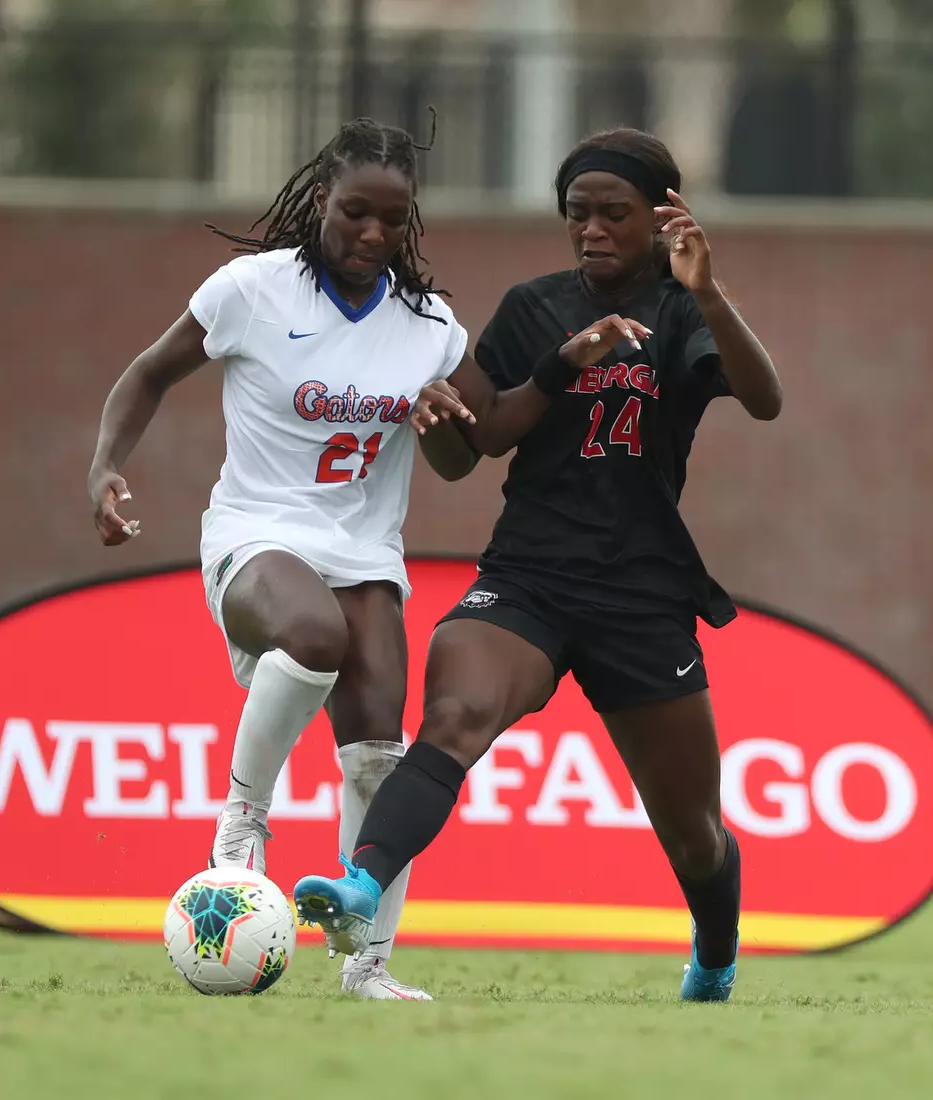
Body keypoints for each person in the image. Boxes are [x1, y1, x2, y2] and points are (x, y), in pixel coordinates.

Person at [290, 128, 784, 1003]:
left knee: (695, 835)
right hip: (528, 575)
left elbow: (765, 398)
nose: (591, 229)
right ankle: (360, 884)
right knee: (455, 715)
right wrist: (437, 416)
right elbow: (472, 445)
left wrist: (710, 295)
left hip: (642, 591)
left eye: (613, 214)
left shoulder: (681, 310)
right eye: (577, 214)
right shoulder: (533, 308)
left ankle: (713, 956)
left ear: (664, 217)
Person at [86, 116, 476, 1002]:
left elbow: (460, 460)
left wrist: (444, 420)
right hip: (255, 535)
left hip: (367, 551)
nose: (371, 236)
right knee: (314, 631)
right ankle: (242, 820)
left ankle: (365, 967)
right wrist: (106, 466)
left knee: (381, 754)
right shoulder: (251, 291)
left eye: (391, 219)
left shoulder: (430, 325)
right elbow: (148, 373)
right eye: (353, 214)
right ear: (320, 202)